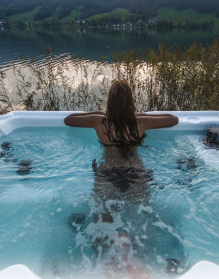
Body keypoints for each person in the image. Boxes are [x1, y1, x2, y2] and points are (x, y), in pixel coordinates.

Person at [64, 80, 179, 278]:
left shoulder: (99, 122)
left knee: (102, 216)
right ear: (131, 102)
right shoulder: (140, 122)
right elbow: (173, 119)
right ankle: (140, 261)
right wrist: (138, 116)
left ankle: (106, 262)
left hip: (107, 174)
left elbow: (68, 119)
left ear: (109, 102)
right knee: (141, 217)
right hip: (135, 175)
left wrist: (98, 114)